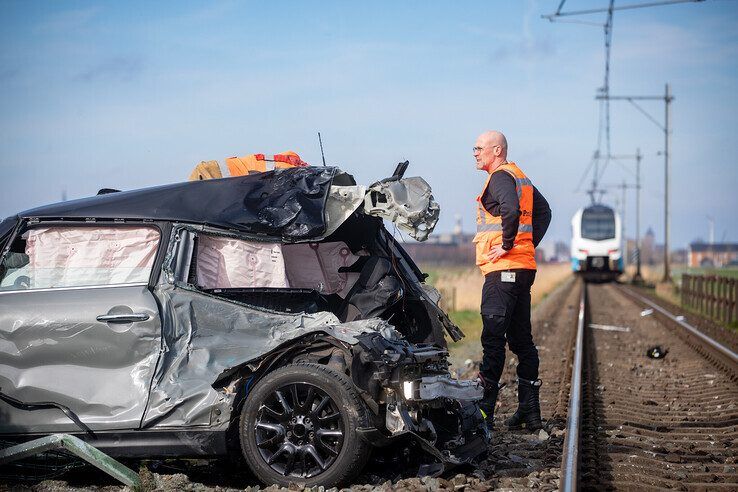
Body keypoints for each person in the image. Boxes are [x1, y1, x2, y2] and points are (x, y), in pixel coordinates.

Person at [472, 130, 551, 431]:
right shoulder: (522, 178)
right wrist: (526, 246)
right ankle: (529, 414)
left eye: (479, 148)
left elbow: (511, 210)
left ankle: (484, 416)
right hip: (522, 269)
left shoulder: (501, 177)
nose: (475, 153)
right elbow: (544, 213)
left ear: (496, 150)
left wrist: (507, 245)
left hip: (503, 271)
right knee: (521, 341)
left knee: (493, 339)